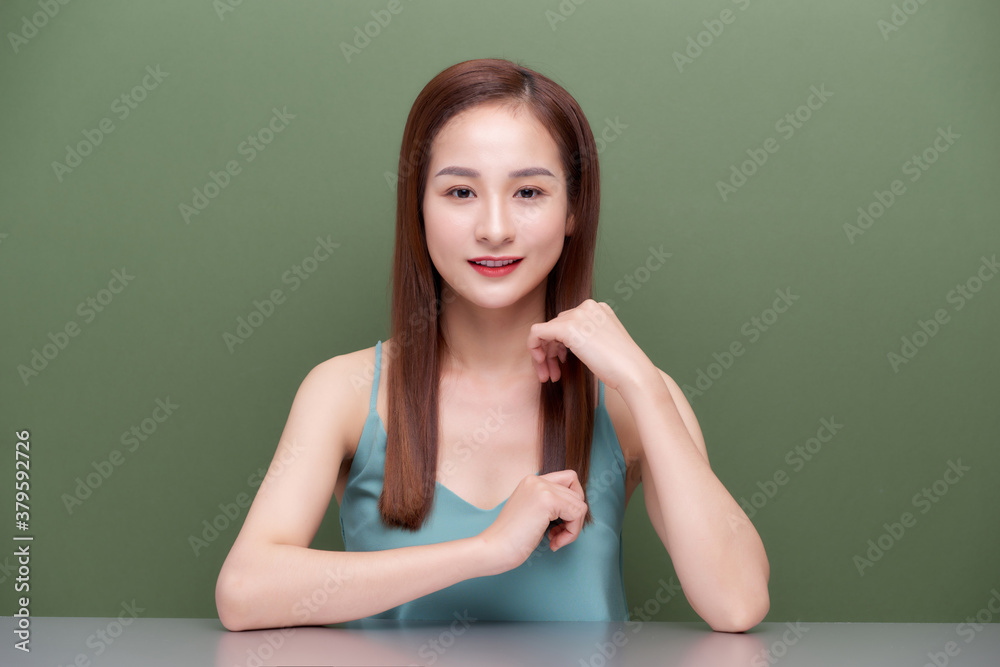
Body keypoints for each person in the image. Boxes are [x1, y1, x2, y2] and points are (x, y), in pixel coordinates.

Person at [215, 57, 769, 632]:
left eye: (529, 191)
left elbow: (738, 603)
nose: (495, 227)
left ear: (573, 210)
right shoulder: (343, 392)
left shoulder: (632, 400)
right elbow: (245, 592)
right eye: (460, 191)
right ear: (419, 208)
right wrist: (486, 551)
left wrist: (646, 387)